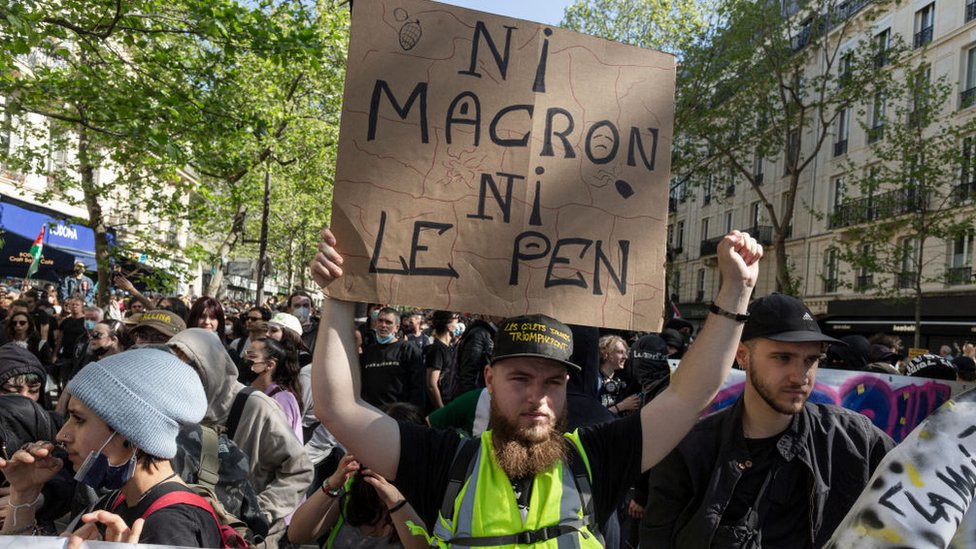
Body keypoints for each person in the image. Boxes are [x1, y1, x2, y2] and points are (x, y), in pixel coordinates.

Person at [310, 228, 762, 547]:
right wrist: (339, 297)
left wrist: (736, 293)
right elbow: (338, 408)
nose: (538, 398)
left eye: (553, 382)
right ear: (489, 379)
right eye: (521, 378)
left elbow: (688, 394)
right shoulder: (444, 462)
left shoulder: (596, 460)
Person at [640, 293, 896, 548]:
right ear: (742, 355)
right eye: (783, 358)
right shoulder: (690, 451)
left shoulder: (853, 439)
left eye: (811, 360)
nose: (800, 376)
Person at [0, 348, 222, 546]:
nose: (62, 435)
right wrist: (24, 495)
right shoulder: (118, 498)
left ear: (131, 431)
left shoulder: (170, 525)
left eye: (78, 419)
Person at [167, 328, 313, 543]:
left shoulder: (257, 407)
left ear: (212, 365)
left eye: (191, 365)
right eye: (174, 365)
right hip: (190, 531)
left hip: (246, 537)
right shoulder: (174, 408)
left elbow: (299, 470)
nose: (182, 374)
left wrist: (259, 511)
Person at [246, 337, 304, 441]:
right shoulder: (253, 391)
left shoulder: (282, 400)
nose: (245, 360)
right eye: (245, 355)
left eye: (251, 356)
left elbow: (282, 444)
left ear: (269, 365)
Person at [597, 335, 639, 416]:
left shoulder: (622, 382)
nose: (625, 357)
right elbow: (594, 415)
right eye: (620, 352)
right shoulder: (594, 380)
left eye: (626, 353)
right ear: (606, 353)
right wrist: (621, 406)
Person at [425, 310, 457, 409]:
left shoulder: (448, 347)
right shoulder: (437, 350)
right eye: (455, 321)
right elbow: (431, 384)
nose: (457, 324)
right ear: (449, 326)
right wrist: (441, 410)